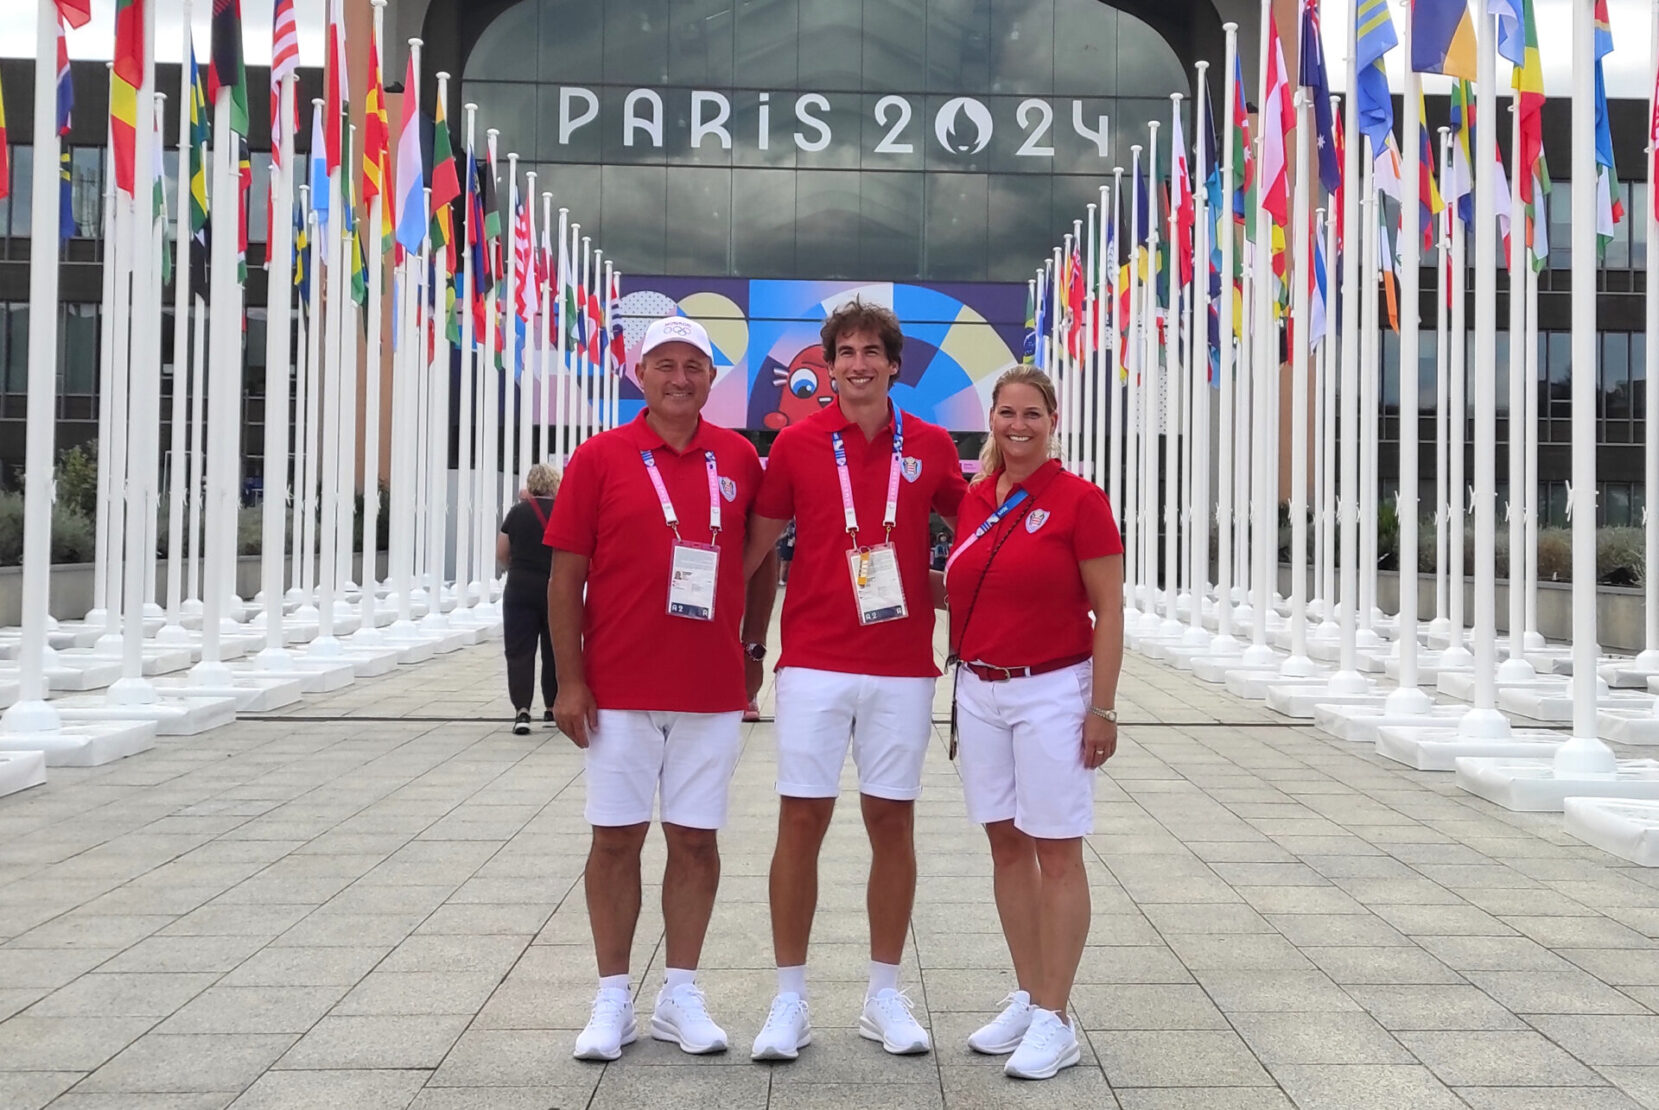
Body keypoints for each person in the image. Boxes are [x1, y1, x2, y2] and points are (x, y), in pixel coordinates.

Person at [547, 316, 778, 1062]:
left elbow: (764, 555)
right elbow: (564, 577)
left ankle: (680, 991)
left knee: (695, 839)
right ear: (639, 375)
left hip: (708, 687)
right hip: (616, 686)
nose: (680, 378)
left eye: (695, 367)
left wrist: (752, 647)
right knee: (614, 839)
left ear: (713, 379)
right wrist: (570, 681)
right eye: (665, 365)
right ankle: (612, 996)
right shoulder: (600, 458)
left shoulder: (739, 456)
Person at [742, 300, 968, 1061]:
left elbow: (976, 539)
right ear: (829, 365)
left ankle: (881, 995)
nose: (860, 363)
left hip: (902, 665)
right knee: (799, 822)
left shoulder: (932, 445)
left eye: (874, 351)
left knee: (890, 825)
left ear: (894, 365)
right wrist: (730, 641)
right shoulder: (797, 446)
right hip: (811, 659)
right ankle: (788, 1000)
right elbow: (756, 551)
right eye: (846, 352)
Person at [943, 366, 1124, 1080]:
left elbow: (1108, 609)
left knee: (1057, 850)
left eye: (1031, 414)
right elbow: (971, 587)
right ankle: (1027, 993)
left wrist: (1101, 707)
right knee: (1005, 844)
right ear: (990, 419)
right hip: (979, 689)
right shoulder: (974, 499)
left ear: (1052, 421)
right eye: (1005, 413)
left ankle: (1057, 1016)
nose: (1017, 425)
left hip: (1051, 689)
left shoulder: (1079, 501)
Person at [498, 463, 560, 734]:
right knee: (554, 650)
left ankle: (522, 711)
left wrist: (517, 567)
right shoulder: (563, 511)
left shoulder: (517, 512)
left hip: (520, 588)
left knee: (519, 651)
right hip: (554, 589)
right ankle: (552, 708)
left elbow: (501, 553)